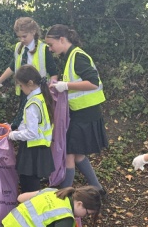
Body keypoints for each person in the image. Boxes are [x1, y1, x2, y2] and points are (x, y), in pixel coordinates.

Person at [45, 24, 108, 194]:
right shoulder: (70, 56)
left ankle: (64, 195)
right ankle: (98, 189)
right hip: (81, 112)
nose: (50, 49)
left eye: (51, 44)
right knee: (77, 154)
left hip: (86, 114)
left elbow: (93, 83)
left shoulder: (78, 56)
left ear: (62, 39)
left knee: (69, 154)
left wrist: (65, 85)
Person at [0, 17, 58, 130]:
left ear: (33, 32)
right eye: (19, 37)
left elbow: (53, 73)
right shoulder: (19, 47)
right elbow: (12, 67)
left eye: (24, 36)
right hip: (24, 90)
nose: (21, 39)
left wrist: (51, 90)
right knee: (24, 120)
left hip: (39, 92)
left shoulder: (43, 49)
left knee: (36, 122)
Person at [8, 65, 55, 193]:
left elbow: (31, 132)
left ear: (29, 83)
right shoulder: (42, 97)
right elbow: (33, 124)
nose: (20, 88)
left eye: (21, 85)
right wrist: (17, 129)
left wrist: (12, 135)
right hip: (41, 147)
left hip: (32, 149)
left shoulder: (32, 104)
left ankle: (30, 204)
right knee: (32, 184)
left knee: (29, 186)